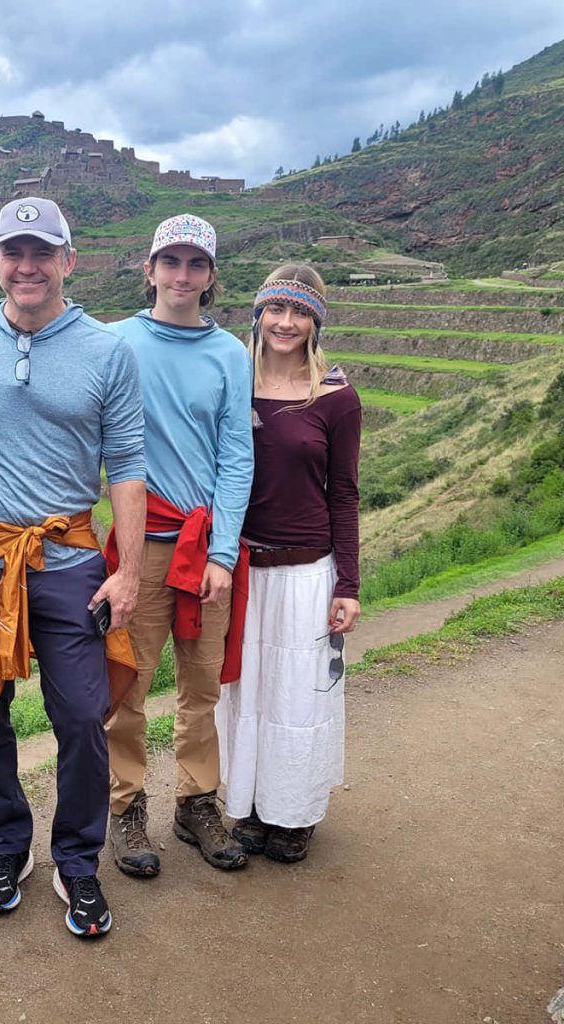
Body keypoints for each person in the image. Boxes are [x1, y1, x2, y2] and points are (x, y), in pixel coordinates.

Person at [0, 196, 146, 938]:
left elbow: (127, 465)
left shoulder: (109, 351)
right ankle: (7, 845)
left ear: (68, 262)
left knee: (82, 715)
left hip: (69, 560)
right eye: (13, 252)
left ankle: (77, 860)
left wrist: (129, 572)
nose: (28, 265)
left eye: (42, 252)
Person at [104, 214, 254, 879]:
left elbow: (236, 457)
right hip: (141, 548)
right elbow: (37, 333)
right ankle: (126, 805)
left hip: (204, 549)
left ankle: (196, 801)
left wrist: (223, 553)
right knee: (128, 683)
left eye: (196, 265)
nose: (182, 275)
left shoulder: (229, 354)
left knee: (200, 685)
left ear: (211, 276)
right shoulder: (113, 342)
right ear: (149, 269)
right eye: (171, 262)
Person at [215, 264, 361, 864]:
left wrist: (348, 582)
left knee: (299, 698)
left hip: (306, 572)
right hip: (244, 566)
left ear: (315, 322)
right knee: (246, 693)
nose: (286, 322)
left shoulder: (335, 396)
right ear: (259, 313)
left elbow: (344, 491)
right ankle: (248, 804)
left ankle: (293, 814)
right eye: (277, 309)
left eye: (300, 312)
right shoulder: (232, 383)